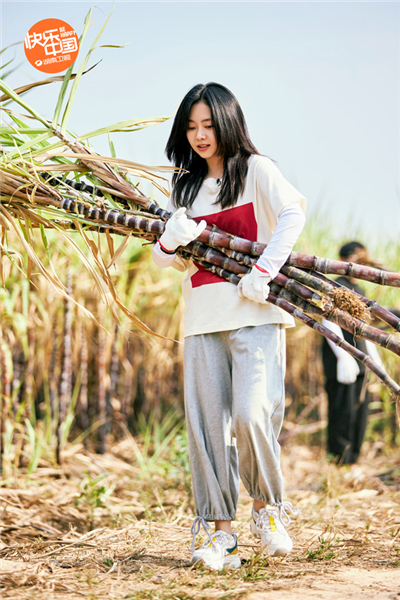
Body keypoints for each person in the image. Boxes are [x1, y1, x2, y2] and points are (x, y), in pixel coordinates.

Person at [152, 82, 306, 570]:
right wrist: (169, 243)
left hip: (255, 314)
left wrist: (264, 274)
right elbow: (165, 264)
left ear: (228, 123)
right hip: (202, 319)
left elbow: (292, 213)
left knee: (250, 413)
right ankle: (220, 533)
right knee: (206, 429)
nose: (200, 135)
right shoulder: (186, 187)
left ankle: (268, 510)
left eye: (208, 125)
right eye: (191, 127)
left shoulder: (257, 170)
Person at [321, 242, 386, 465]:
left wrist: (376, 362)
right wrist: (343, 355)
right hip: (342, 361)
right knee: (341, 410)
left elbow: (367, 330)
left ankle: (353, 460)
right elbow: (326, 319)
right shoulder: (337, 285)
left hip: (361, 360)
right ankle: (338, 462)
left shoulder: (361, 290)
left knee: (359, 411)